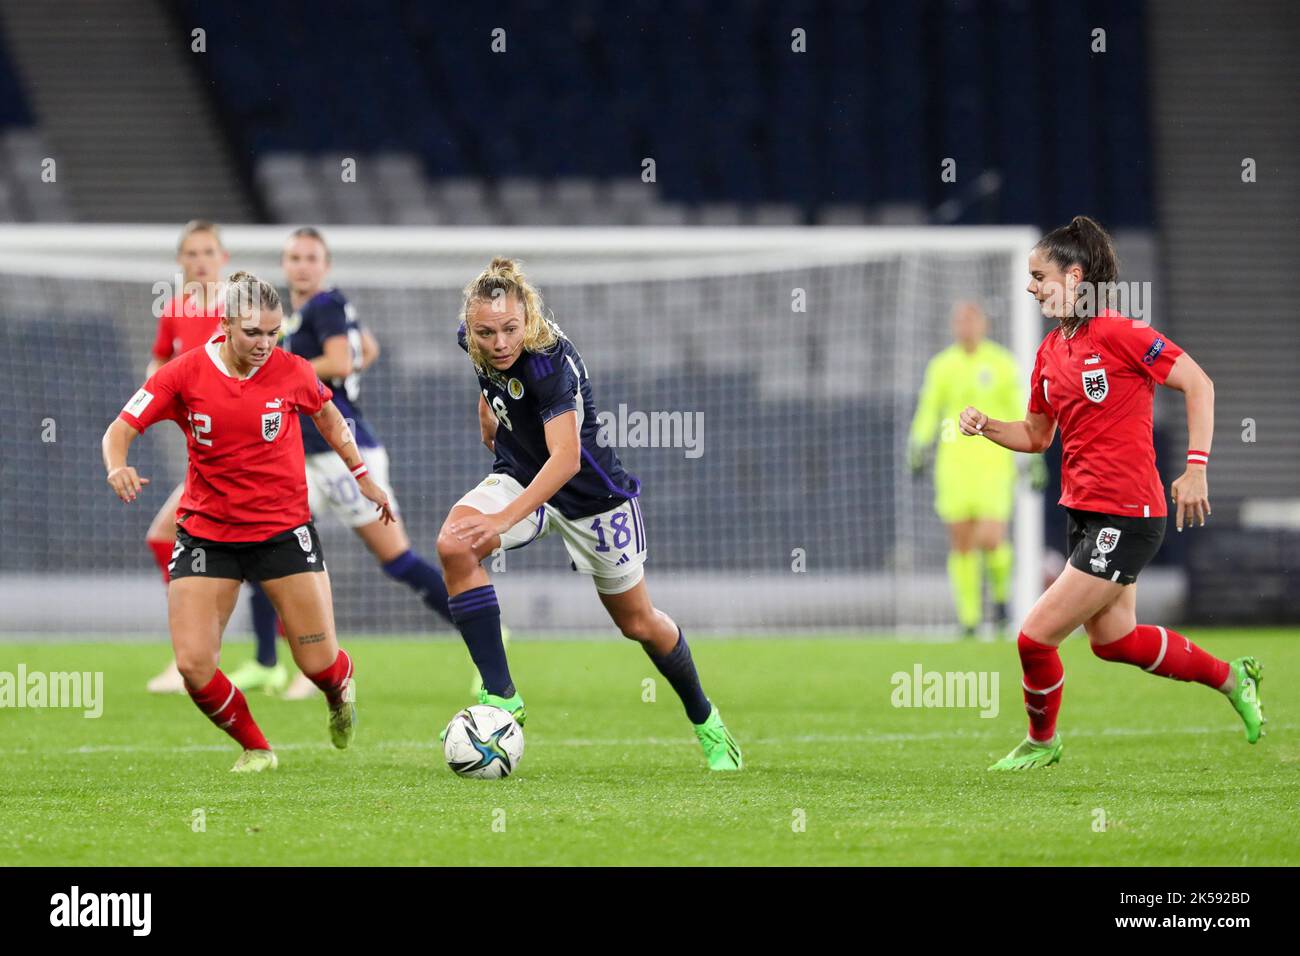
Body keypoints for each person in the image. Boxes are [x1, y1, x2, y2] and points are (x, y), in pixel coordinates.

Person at [958, 216, 1264, 770]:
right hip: (1084, 511)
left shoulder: (1122, 334)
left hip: (1129, 515)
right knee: (1115, 641)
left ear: (1074, 277)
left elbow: (1198, 381)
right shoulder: (1051, 351)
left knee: (1033, 638)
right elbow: (1036, 434)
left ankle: (1043, 742)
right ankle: (1232, 677)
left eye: (1038, 276)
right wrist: (986, 426)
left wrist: (1196, 468)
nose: (1031, 287)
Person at [435, 258, 742, 770]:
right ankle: (502, 697)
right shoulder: (475, 338)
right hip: (520, 473)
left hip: (591, 498)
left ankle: (707, 721)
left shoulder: (548, 362)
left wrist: (501, 520)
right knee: (453, 545)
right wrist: (487, 412)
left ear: (528, 318)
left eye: (510, 329)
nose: (499, 342)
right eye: (487, 332)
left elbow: (566, 459)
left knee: (639, 623)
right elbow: (484, 375)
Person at [102, 271, 392, 772]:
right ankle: (257, 748)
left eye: (273, 332)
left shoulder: (293, 370)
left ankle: (339, 688)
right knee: (194, 665)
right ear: (225, 325)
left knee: (316, 664)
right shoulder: (183, 374)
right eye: (252, 333)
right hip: (206, 533)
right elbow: (120, 428)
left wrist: (361, 474)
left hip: (282, 531)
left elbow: (329, 416)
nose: (264, 344)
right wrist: (118, 466)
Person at [256, 227, 462, 700]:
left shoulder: (325, 304)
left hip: (343, 450)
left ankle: (474, 618)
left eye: (311, 257)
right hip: (302, 455)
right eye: (294, 257)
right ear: (285, 264)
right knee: (277, 550)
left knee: (396, 560)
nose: (302, 265)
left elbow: (342, 362)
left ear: (323, 265)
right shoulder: (308, 313)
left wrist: (284, 372)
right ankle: (286, 662)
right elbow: (365, 349)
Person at [142, 221, 282, 695]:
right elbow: (159, 362)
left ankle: (208, 652)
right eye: (191, 253)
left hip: (241, 452)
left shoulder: (239, 310)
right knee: (177, 539)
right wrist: (157, 392)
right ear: (180, 261)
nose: (200, 260)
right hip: (202, 454)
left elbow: (266, 365)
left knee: (187, 538)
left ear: (223, 256)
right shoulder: (177, 310)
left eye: (207, 251)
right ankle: (246, 655)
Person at [909, 301, 1044, 637]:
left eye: (971, 321)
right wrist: (917, 443)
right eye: (959, 322)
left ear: (983, 324)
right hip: (953, 464)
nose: (965, 327)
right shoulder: (942, 366)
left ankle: (1000, 600)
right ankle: (968, 619)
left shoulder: (1000, 363)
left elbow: (1020, 407)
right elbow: (929, 409)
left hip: (993, 463)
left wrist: (1033, 451)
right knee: (962, 542)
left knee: (991, 537)